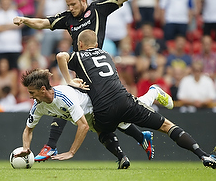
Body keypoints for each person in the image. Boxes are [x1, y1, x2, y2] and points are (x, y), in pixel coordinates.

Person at [56, 29, 216, 169]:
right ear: (97, 45)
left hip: (104, 109)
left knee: (101, 129)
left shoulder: (78, 56)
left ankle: (123, 154)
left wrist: (69, 80)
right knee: (166, 126)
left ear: (80, 44)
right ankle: (204, 155)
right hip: (125, 101)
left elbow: (60, 56)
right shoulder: (107, 54)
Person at [13, 0, 141, 162]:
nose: (70, 8)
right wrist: (25, 19)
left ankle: (51, 146)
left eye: (73, 4)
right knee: (97, 118)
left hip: (96, 71)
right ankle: (134, 143)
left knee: (91, 112)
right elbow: (43, 22)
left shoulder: (98, 9)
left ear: (83, 1)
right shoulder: (67, 18)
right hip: (80, 72)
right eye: (68, 5)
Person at [15, 68, 173, 169]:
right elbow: (28, 129)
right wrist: (25, 148)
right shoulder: (38, 105)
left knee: (132, 110)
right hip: (88, 115)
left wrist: (71, 152)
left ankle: (153, 92)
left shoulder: (64, 97)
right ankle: (130, 150)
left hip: (98, 104)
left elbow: (82, 126)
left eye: (32, 93)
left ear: (43, 89)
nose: (30, 96)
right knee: (103, 132)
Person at [0, 0, 24, 74]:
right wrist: (11, 26)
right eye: (4, 2)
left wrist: (2, 26)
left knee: (15, 71)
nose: (5, 4)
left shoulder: (17, 13)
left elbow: (21, 24)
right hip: (0, 48)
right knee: (0, 71)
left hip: (15, 48)